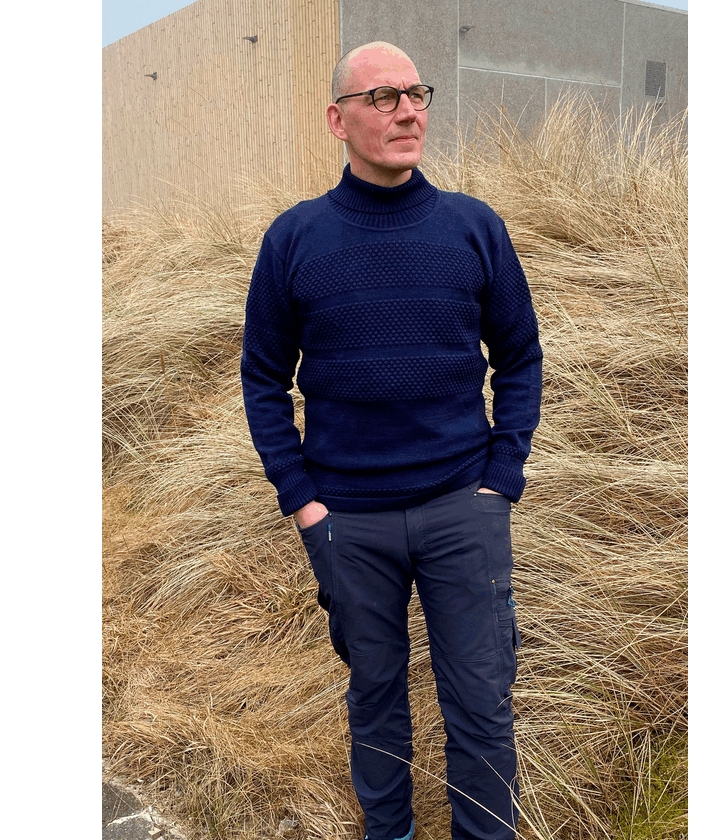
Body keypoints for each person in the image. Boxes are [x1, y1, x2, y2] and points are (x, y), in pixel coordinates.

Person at [240, 41, 542, 840]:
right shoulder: (294, 239)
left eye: (416, 94)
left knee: (480, 705)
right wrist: (305, 507)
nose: (407, 111)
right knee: (375, 701)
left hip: (462, 511)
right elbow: (263, 380)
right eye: (383, 97)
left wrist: (499, 483)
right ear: (338, 120)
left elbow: (520, 357)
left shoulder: (473, 227)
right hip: (348, 524)